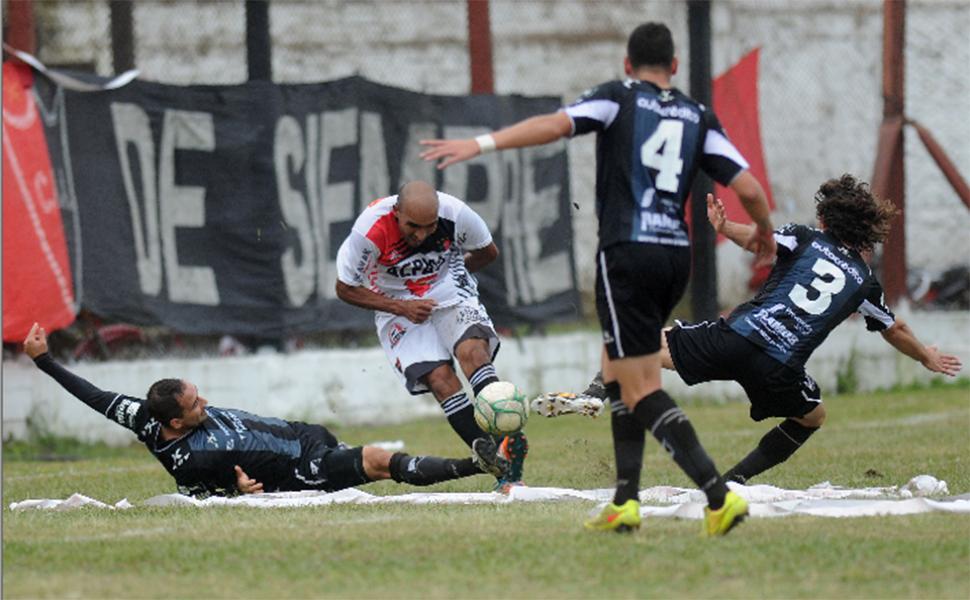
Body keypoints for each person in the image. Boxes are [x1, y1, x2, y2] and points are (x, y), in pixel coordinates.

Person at [420, 22, 774, 535]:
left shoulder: (617, 98)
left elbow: (556, 125)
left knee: (641, 386)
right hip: (676, 258)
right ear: (674, 67)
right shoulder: (699, 115)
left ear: (628, 65)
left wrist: (482, 143)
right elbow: (748, 186)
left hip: (626, 254)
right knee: (617, 370)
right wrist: (763, 230)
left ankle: (718, 498)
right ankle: (624, 503)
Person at [654, 176, 961, 483]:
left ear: (825, 218)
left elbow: (762, 240)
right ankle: (734, 480)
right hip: (778, 367)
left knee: (652, 344)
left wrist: (724, 227)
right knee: (812, 416)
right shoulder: (864, 281)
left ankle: (604, 384)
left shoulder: (805, 237)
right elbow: (896, 329)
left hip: (739, 337)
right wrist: (924, 356)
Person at [23, 322, 508, 499]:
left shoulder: (143, 415)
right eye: (196, 405)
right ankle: (477, 464)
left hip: (303, 434)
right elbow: (198, 496)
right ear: (176, 423)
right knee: (378, 461)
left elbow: (91, 394)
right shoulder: (191, 460)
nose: (206, 403)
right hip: (301, 469)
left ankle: (479, 461)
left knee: (362, 457)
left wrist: (45, 360)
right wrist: (238, 493)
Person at [335, 180, 528, 492]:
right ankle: (497, 464)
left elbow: (487, 251)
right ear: (396, 213)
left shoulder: (456, 213)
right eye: (413, 226)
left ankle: (509, 447)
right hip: (395, 305)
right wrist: (401, 306)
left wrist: (453, 275)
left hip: (449, 292)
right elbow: (344, 287)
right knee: (440, 379)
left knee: (473, 353)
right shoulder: (369, 230)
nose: (421, 234)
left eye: (429, 226)